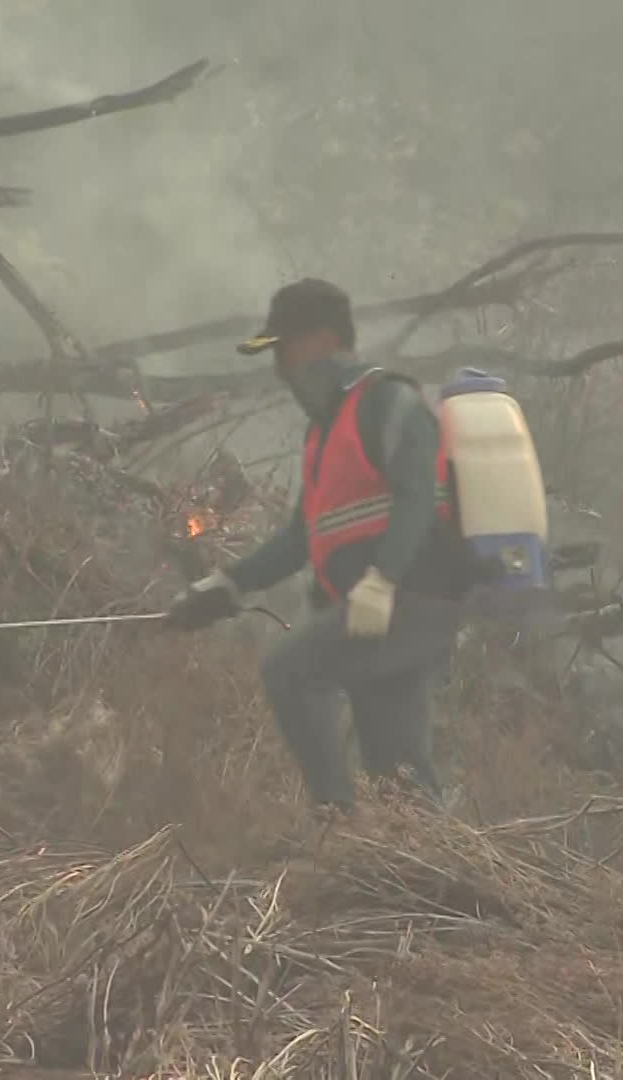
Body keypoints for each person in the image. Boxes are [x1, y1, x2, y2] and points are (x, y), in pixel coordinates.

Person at [166, 278, 470, 814]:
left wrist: (383, 580)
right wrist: (228, 585)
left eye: (282, 351)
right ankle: (424, 876)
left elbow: (419, 494)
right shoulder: (327, 432)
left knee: (291, 672)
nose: (280, 369)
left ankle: (338, 821)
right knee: (396, 773)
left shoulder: (387, 402)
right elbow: (302, 537)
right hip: (381, 611)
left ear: (319, 342)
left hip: (411, 600)